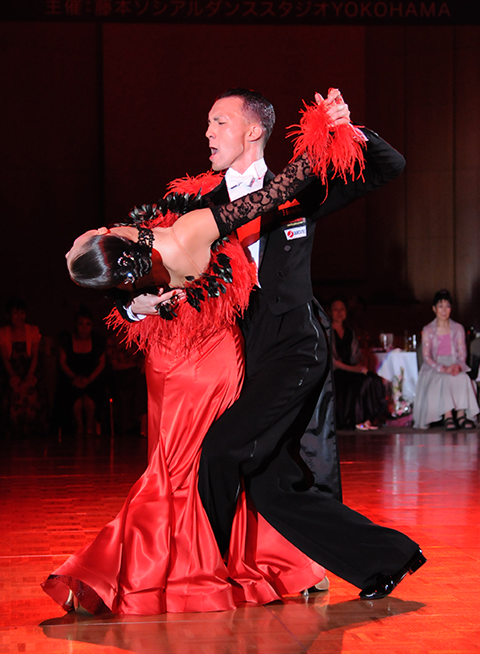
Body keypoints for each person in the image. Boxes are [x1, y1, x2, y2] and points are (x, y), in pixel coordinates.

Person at [45, 91, 427, 609]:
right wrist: (139, 304)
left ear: (252, 131)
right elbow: (135, 263)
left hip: (294, 344)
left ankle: (200, 573)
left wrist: (349, 127)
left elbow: (388, 167)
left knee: (225, 451)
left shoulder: (297, 188)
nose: (207, 132)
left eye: (218, 122)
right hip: (239, 354)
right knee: (272, 485)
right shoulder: (197, 200)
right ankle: (384, 559)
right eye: (206, 122)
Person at [414, 289, 478, 430]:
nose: (444, 310)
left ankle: (461, 414)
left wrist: (457, 366)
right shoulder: (428, 330)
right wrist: (443, 368)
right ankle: (447, 416)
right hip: (434, 366)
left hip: (454, 363)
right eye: (440, 306)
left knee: (463, 378)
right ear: (434, 308)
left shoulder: (458, 328)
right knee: (444, 378)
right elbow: (427, 356)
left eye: (447, 306)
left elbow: (462, 354)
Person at [330, 297, 387, 430]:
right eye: (335, 309)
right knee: (359, 382)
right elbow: (333, 361)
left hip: (352, 369)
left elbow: (356, 355)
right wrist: (354, 369)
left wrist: (361, 365)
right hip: (336, 372)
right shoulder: (326, 332)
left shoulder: (350, 332)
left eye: (342, 309)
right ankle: (357, 419)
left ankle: (368, 418)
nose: (339, 312)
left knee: (373, 379)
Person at [55, 307, 106, 435]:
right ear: (75, 325)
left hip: (92, 379)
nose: (84, 328)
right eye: (81, 324)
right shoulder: (67, 341)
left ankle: (89, 426)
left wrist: (89, 379)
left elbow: (101, 363)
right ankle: (79, 426)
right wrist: (74, 377)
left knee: (90, 400)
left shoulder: (97, 341)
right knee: (76, 400)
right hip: (71, 379)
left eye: (88, 324)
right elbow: (62, 362)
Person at [0, 297, 47, 436]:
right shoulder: (3, 332)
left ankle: (32, 428)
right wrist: (12, 376)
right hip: (11, 371)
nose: (19, 317)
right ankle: (12, 429)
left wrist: (30, 374)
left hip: (29, 368)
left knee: (33, 391)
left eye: (21, 313)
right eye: (15, 313)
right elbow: (5, 358)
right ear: (9, 315)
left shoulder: (32, 330)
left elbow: (34, 355)